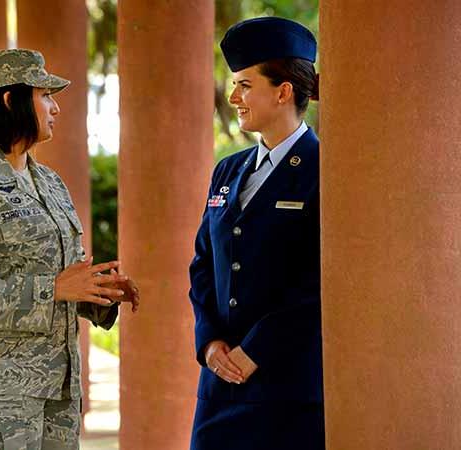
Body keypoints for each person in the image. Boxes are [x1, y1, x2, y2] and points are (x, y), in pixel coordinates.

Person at [0, 49, 139, 450]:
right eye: (45, 96)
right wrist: (54, 289)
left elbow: (63, 277)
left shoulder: (49, 182)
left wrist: (97, 293)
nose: (56, 107)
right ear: (11, 100)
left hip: (55, 383)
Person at [188, 17, 323, 450]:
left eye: (245, 85)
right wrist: (210, 342)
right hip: (220, 385)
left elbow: (319, 280)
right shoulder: (227, 170)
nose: (232, 98)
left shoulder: (325, 169)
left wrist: (257, 349)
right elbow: (203, 263)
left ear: (283, 91)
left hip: (287, 388)